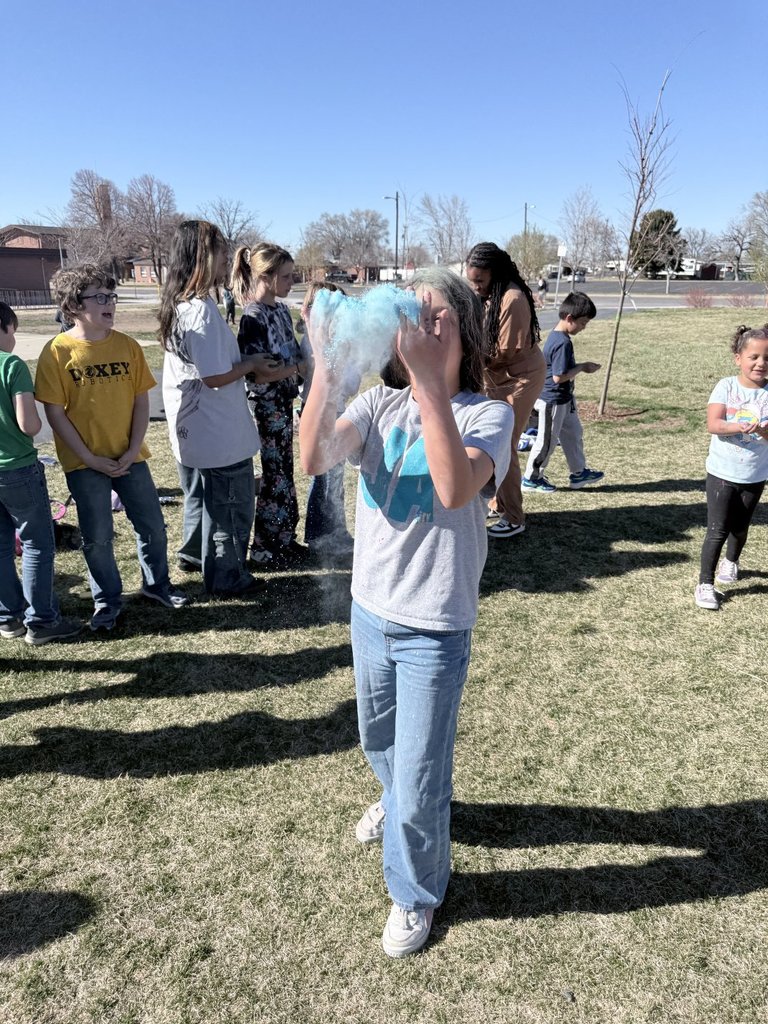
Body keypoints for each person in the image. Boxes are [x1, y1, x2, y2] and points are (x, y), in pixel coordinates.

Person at [299, 268, 514, 958]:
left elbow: (454, 490)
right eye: (413, 315)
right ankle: (397, 805)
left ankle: (415, 891)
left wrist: (428, 384)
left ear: (465, 331)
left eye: (439, 316)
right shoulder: (376, 407)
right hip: (370, 613)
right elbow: (313, 456)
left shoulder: (489, 414)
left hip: (434, 626)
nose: (424, 327)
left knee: (421, 776)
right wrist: (327, 365)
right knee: (380, 744)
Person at [36, 265, 189, 632]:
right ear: (73, 304)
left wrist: (133, 448)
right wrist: (89, 458)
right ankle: (107, 602)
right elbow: (55, 415)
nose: (110, 303)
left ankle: (157, 585)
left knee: (152, 525)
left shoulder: (128, 346)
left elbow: (140, 403)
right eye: (99, 297)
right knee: (98, 537)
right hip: (84, 464)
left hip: (130, 458)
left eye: (111, 296)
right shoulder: (57, 352)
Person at [158, 220, 284, 596]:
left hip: (194, 429)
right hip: (216, 431)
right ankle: (227, 576)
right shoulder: (198, 312)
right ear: (200, 256)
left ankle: (195, 555)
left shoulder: (183, 305)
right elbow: (215, 376)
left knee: (201, 495)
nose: (226, 257)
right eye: (219, 250)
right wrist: (252, 365)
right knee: (230, 505)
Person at [0, 302, 81, 645]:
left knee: (2, 546)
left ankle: (7, 617)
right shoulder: (13, 365)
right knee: (36, 542)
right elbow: (29, 424)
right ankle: (42, 620)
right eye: (13, 331)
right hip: (17, 467)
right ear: (5, 327)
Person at [232, 242, 307, 567]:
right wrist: (297, 369)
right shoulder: (253, 317)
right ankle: (264, 548)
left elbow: (286, 358)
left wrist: (293, 369)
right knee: (275, 475)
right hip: (267, 408)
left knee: (285, 474)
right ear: (267, 275)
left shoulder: (279, 310)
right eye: (287, 276)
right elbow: (260, 374)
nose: (292, 282)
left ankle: (285, 539)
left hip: (284, 404)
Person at [466, 242, 546, 539]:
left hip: (520, 377)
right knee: (491, 439)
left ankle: (514, 516)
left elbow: (504, 354)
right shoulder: (490, 295)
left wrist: (466, 359)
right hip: (497, 376)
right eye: (471, 281)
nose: (475, 288)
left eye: (480, 282)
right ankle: (498, 501)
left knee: (504, 443)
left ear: (495, 274)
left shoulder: (512, 298)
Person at [695, 324, 768, 610]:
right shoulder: (726, 386)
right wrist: (737, 425)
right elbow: (713, 424)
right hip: (722, 473)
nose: (761, 363)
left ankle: (731, 562)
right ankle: (705, 584)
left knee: (740, 528)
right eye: (754, 357)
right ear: (738, 357)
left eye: (767, 358)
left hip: (755, 474)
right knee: (717, 528)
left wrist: (762, 431)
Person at [298, 281, 358, 556]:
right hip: (324, 417)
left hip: (337, 412)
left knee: (332, 478)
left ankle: (332, 530)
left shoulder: (337, 345)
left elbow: (350, 384)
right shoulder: (315, 346)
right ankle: (321, 534)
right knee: (324, 478)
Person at [523, 291, 604, 492]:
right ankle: (531, 478)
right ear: (569, 318)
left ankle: (579, 473)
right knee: (547, 440)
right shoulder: (562, 342)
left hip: (565, 399)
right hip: (553, 399)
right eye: (583, 323)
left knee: (573, 433)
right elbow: (559, 376)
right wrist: (583, 367)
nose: (584, 328)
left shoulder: (560, 337)